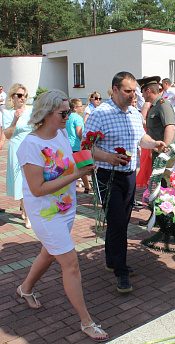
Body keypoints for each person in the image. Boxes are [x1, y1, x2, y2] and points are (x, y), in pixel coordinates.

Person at [16, 90, 109, 342]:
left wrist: (86, 166)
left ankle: (25, 289)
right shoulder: (30, 145)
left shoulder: (59, 135)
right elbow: (37, 189)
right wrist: (78, 175)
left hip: (65, 209)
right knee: (71, 264)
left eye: (70, 112)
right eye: (64, 113)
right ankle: (86, 321)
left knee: (48, 252)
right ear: (46, 114)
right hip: (46, 214)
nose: (69, 116)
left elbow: (69, 164)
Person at [83, 71, 166, 293]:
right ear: (116, 90)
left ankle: (112, 260)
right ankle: (121, 272)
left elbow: (141, 138)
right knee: (119, 222)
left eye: (135, 91)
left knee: (120, 220)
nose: (133, 95)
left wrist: (154, 143)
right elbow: (87, 146)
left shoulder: (134, 113)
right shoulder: (100, 114)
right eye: (128, 91)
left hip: (129, 175)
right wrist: (108, 157)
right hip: (107, 176)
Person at [3, 83, 33, 227]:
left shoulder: (31, 110)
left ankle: (25, 209)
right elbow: (7, 134)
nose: (22, 98)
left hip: (32, 148)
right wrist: (15, 119)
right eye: (19, 95)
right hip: (16, 148)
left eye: (24, 96)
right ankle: (28, 215)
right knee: (21, 182)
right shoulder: (7, 112)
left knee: (32, 180)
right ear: (13, 97)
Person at [137, 76, 175, 188]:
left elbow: (170, 127)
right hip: (157, 150)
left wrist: (164, 148)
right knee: (157, 183)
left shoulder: (162, 104)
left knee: (164, 184)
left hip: (164, 151)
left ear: (148, 91)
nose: (142, 95)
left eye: (142, 92)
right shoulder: (154, 105)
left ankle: (166, 205)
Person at [66, 98, 91, 193]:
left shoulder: (68, 116)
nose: (82, 107)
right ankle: (87, 186)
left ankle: (70, 187)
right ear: (75, 108)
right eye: (81, 106)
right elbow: (79, 132)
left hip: (68, 145)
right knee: (83, 167)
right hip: (77, 145)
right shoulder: (78, 118)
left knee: (70, 168)